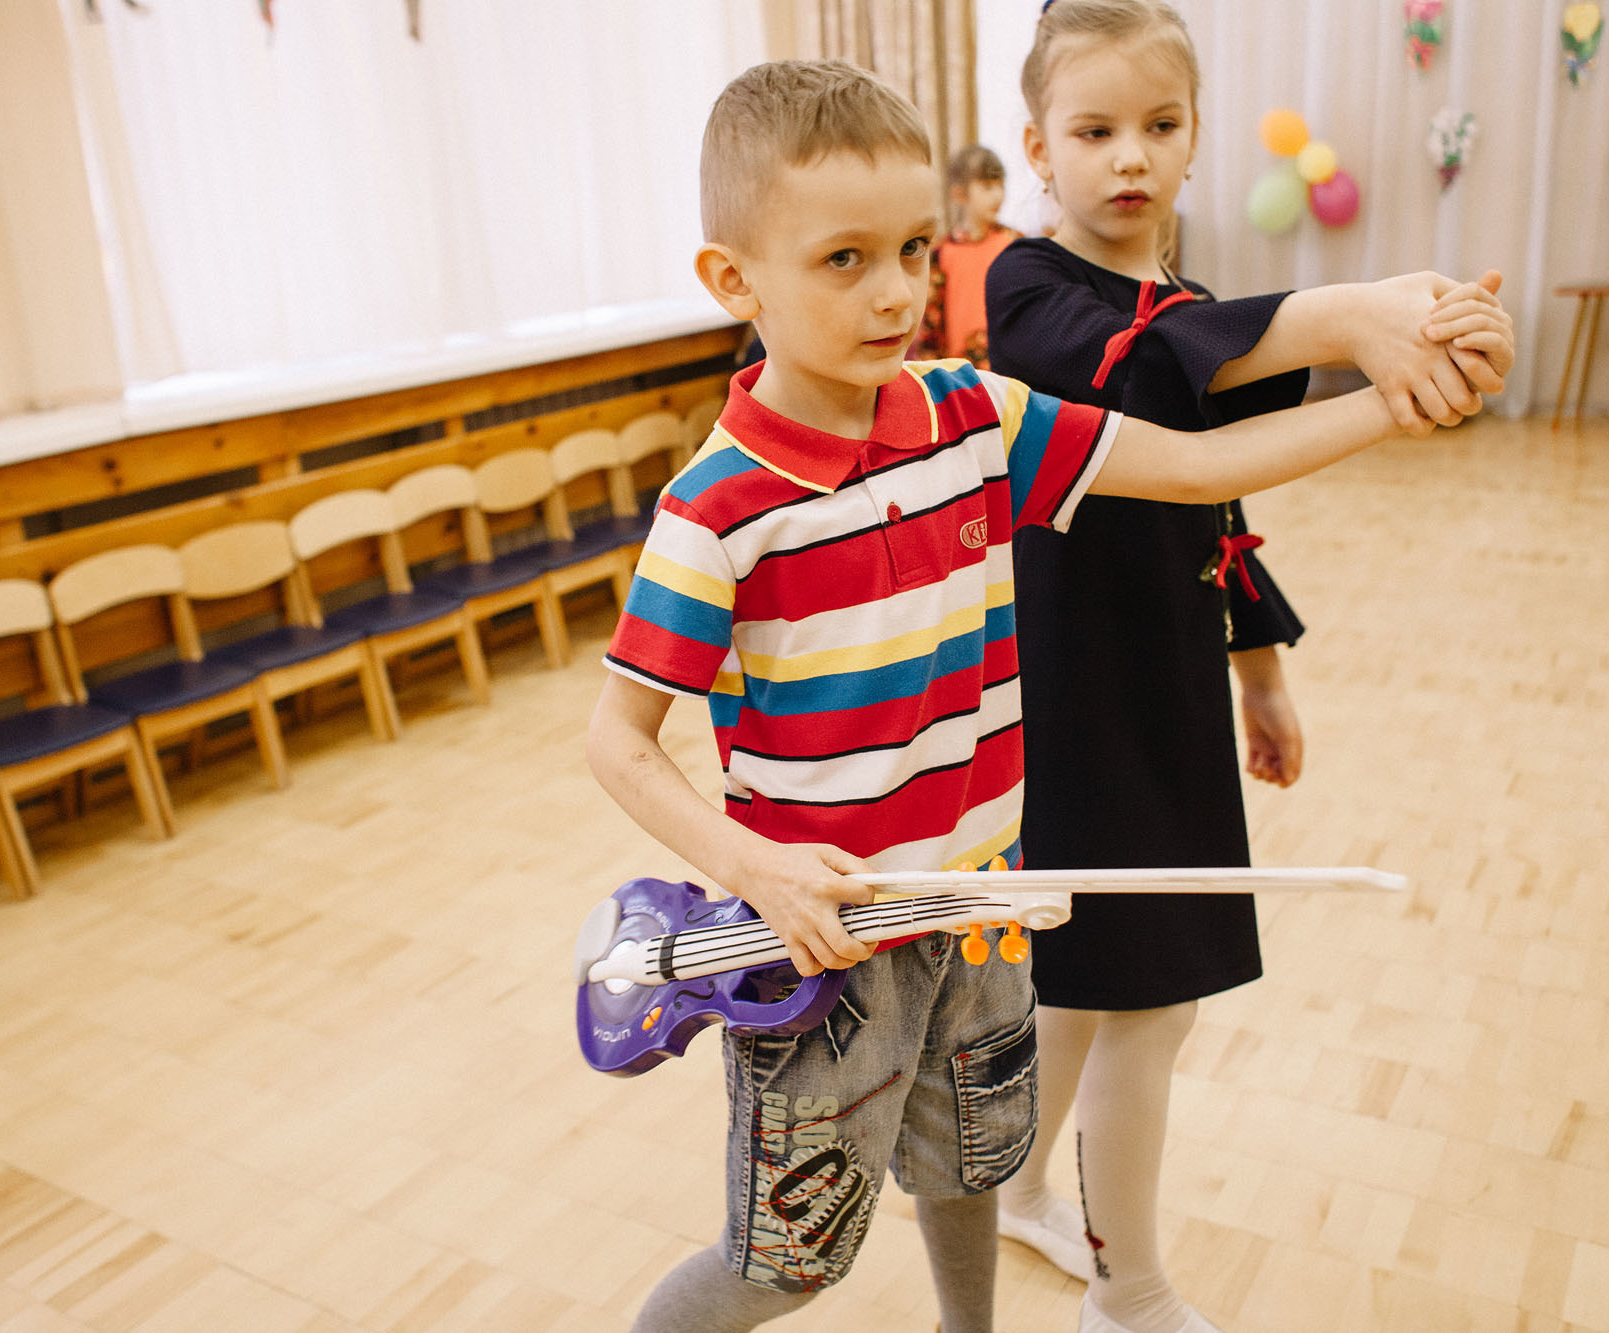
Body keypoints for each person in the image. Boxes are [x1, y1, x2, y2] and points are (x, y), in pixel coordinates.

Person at [585, 58, 1504, 1333]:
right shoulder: (713, 512)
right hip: (826, 951)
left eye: (912, 247)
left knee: (966, 1172)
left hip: (984, 914)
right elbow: (617, 743)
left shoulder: (972, 415)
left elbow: (1194, 467)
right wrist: (760, 871)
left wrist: (1385, 404)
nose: (898, 290)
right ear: (732, 281)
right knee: (782, 1262)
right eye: (842, 261)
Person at [980, 5, 1517, 1333]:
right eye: (1094, 131)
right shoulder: (1024, 293)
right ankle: (1131, 1286)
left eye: (1159, 128)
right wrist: (1356, 316)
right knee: (1144, 997)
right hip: (1073, 709)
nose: (1128, 158)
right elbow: (1137, 381)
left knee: (1088, 982)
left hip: (1171, 696)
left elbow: (1220, 504)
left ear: (1197, 138)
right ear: (1039, 146)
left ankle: (1017, 1185)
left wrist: (1262, 670)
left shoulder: (1193, 310)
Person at [912, 145, 1020, 367]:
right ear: (959, 193)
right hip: (961, 371)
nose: (998, 195)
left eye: (1001, 186)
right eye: (988, 186)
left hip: (1009, 365)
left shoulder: (1015, 244)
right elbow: (933, 320)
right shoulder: (941, 253)